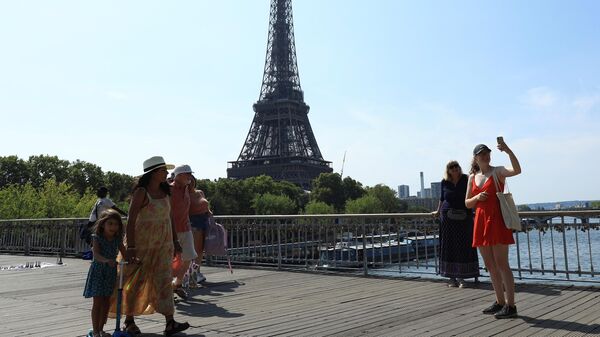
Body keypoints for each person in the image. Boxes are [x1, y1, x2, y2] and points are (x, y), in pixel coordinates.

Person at [109, 156, 189, 336]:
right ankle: (129, 321)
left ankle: (170, 322)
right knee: (135, 281)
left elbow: (170, 219)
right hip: (141, 245)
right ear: (153, 173)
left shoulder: (166, 192)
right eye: (163, 170)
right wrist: (131, 248)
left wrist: (176, 241)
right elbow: (130, 221)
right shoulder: (141, 193)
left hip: (163, 244)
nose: (167, 173)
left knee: (164, 280)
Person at [465, 140, 522, 319]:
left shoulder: (497, 171)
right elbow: (467, 203)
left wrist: (508, 151)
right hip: (481, 222)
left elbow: (517, 170)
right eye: (482, 153)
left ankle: (511, 305)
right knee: (490, 265)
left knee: (502, 264)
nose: (486, 155)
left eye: (487, 152)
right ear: (476, 158)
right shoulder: (472, 177)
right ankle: (500, 302)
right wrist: (477, 198)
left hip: (497, 221)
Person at [433, 161, 479, 288]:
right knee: (449, 246)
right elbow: (442, 198)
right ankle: (452, 278)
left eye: (456, 167)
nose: (454, 169)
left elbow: (473, 194)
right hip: (447, 218)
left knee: (464, 246)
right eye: (451, 167)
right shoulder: (444, 182)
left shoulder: (466, 179)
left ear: (459, 168)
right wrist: (437, 211)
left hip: (464, 217)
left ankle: (463, 278)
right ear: (448, 170)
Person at [83, 209, 126, 337]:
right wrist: (107, 260)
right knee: (98, 301)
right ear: (103, 224)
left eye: (116, 224)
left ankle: (101, 329)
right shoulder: (97, 238)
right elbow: (96, 255)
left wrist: (134, 258)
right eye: (110, 224)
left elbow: (125, 253)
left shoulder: (117, 239)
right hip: (98, 271)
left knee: (106, 301)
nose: (113, 227)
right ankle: (96, 331)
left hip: (110, 272)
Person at [170, 165, 198, 298]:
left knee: (189, 256)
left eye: (190, 174)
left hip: (186, 228)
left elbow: (193, 183)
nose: (190, 177)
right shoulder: (169, 189)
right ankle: (168, 288)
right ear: (179, 176)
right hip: (171, 230)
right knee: (168, 260)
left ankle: (177, 283)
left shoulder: (187, 188)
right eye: (187, 174)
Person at [189, 175, 211, 284]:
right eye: (188, 180)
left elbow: (205, 205)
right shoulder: (185, 195)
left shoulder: (200, 192)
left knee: (201, 248)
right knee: (196, 249)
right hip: (193, 222)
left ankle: (196, 271)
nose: (190, 182)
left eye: (192, 180)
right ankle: (194, 273)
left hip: (204, 220)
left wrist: (209, 213)